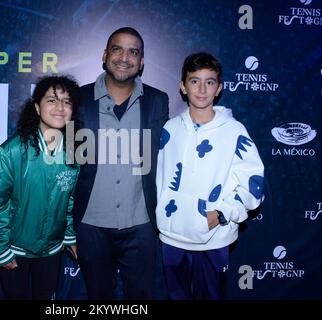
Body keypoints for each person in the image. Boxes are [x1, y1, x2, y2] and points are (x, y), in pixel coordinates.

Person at [155, 52, 265, 300]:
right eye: (194, 81)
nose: (202, 89)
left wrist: (221, 214)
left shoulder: (234, 131)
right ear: (183, 87)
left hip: (213, 239)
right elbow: (159, 179)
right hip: (172, 237)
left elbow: (253, 182)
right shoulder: (170, 129)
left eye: (210, 81)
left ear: (219, 88)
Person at [72, 27, 169, 299]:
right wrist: (7, 154)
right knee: (98, 297)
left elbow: (173, 149)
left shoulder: (158, 101)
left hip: (141, 223)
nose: (125, 57)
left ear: (141, 62)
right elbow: (52, 142)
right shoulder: (78, 99)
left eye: (133, 52)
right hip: (91, 224)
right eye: (117, 49)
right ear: (105, 56)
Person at [0, 75, 81, 300]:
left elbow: (69, 201)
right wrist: (1, 251)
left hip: (52, 249)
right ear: (36, 107)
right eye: (52, 100)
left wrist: (69, 235)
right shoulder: (12, 151)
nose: (60, 108)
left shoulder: (74, 151)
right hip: (15, 248)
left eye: (67, 101)